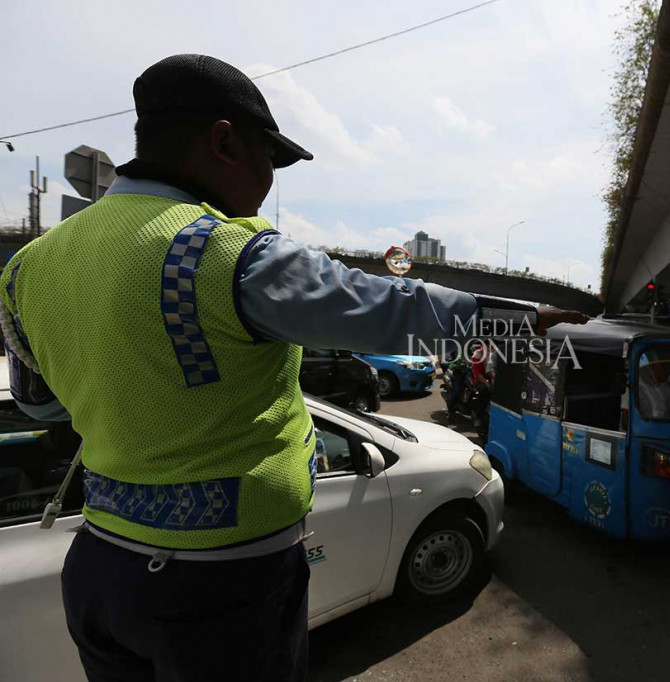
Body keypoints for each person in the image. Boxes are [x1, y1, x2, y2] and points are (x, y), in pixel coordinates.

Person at [0, 54, 586, 682]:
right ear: (225, 141)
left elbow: (40, 405)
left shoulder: (27, 269)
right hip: (222, 584)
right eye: (270, 160)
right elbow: (387, 306)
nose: (270, 180)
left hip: (97, 566)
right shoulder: (222, 251)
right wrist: (519, 321)